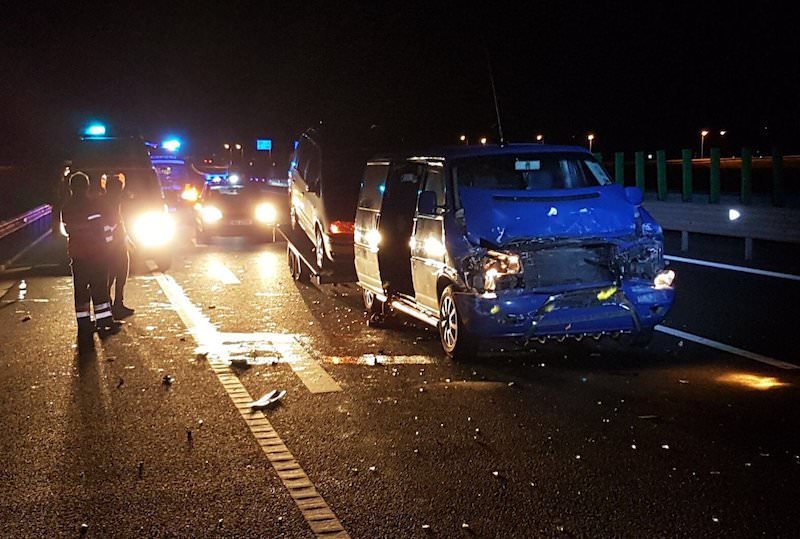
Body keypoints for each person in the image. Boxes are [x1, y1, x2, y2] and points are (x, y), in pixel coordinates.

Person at [61, 172, 119, 344]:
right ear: (87, 187)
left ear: (71, 188)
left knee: (81, 289)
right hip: (97, 254)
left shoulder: (67, 207)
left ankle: (84, 323)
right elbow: (109, 223)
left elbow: (70, 230)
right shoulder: (94, 204)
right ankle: (104, 322)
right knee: (99, 287)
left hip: (78, 255)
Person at [105, 174, 134, 318]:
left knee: (119, 273)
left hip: (116, 242)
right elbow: (114, 223)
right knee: (115, 274)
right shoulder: (109, 202)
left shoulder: (112, 201)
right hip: (113, 244)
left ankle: (115, 303)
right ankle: (112, 304)